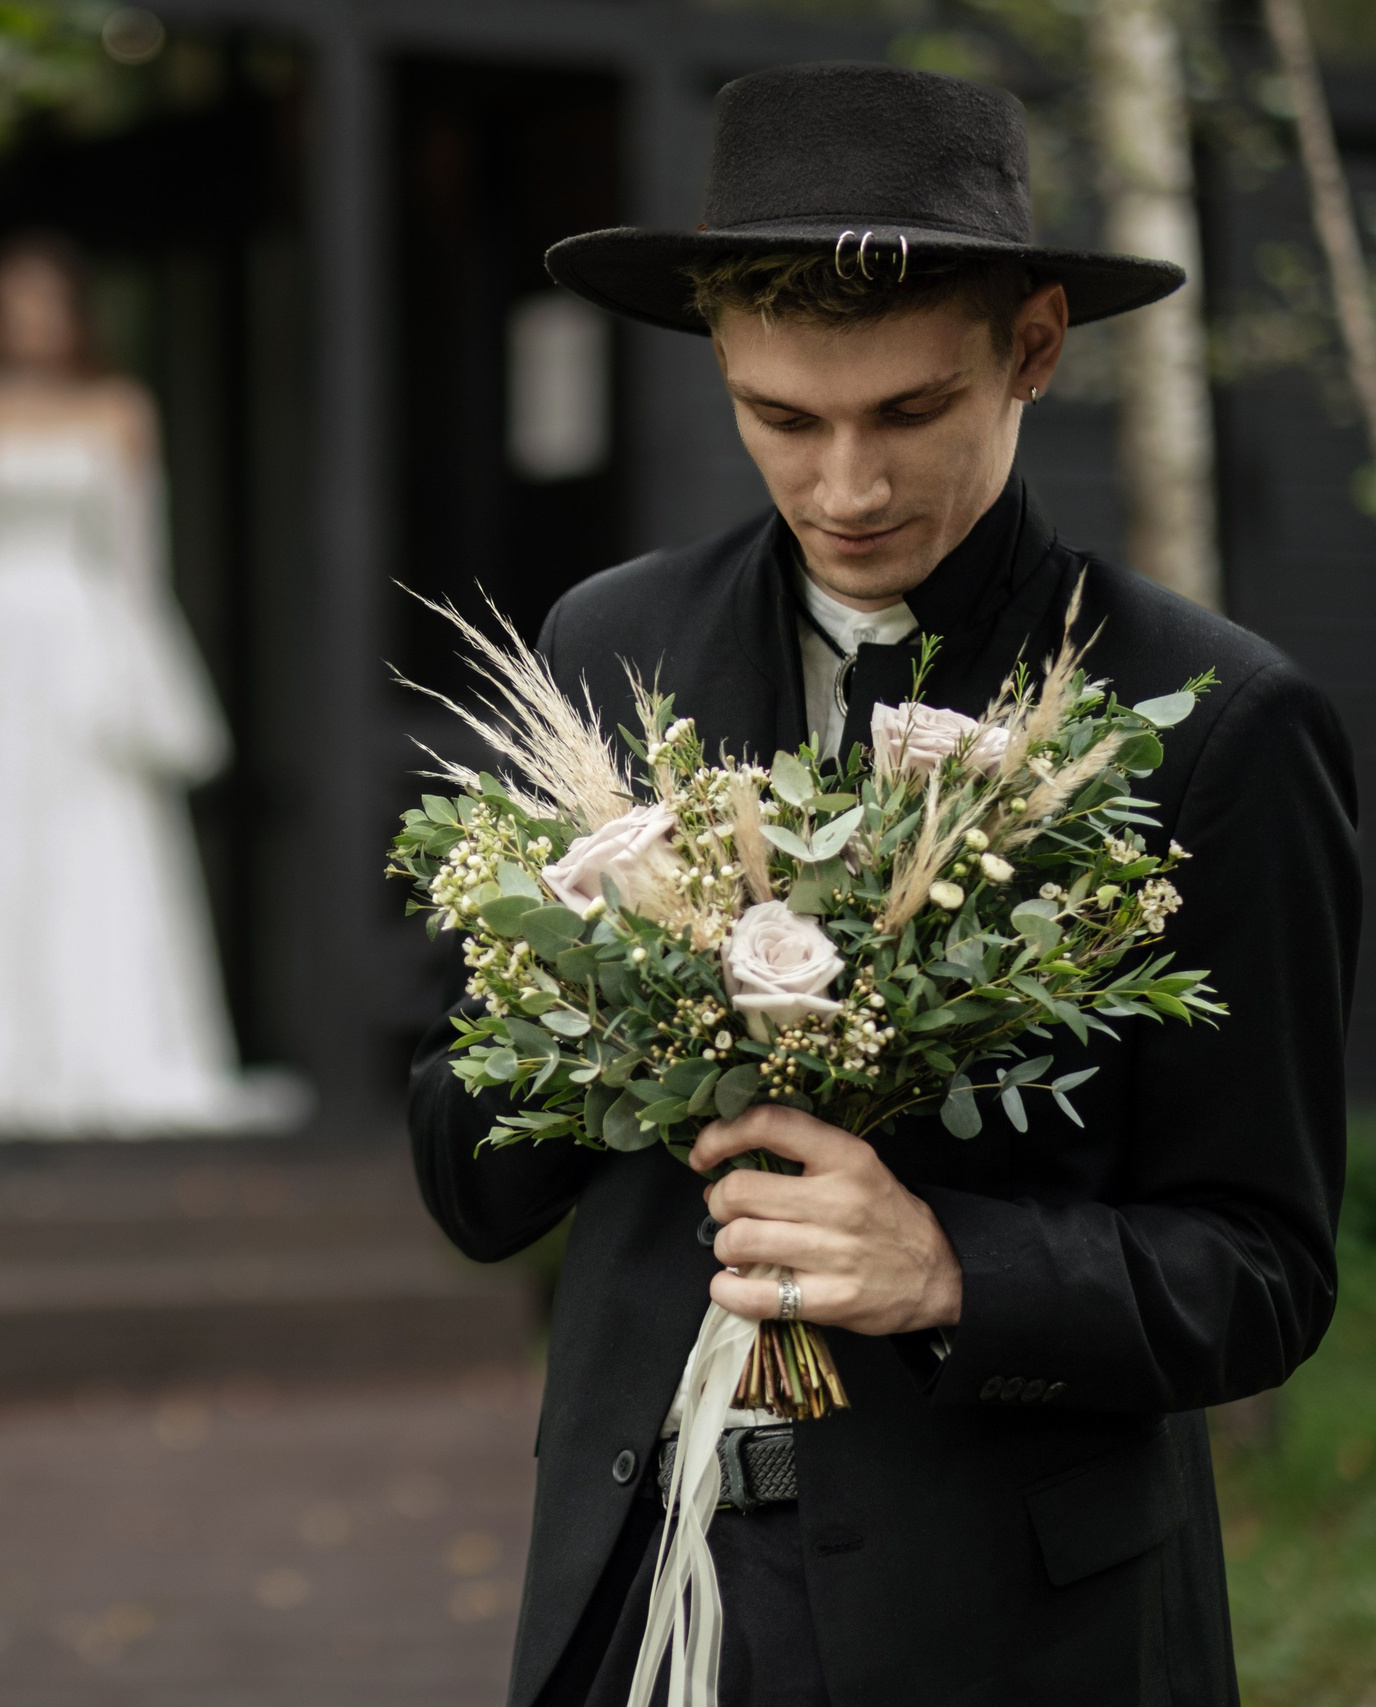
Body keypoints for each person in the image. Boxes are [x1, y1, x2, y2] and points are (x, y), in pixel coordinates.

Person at [409, 63, 1358, 1706]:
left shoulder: (1216, 720)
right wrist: (594, 994)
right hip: (640, 1598)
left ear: (1035, 348)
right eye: (785, 418)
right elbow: (469, 1185)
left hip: (1013, 1637)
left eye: (908, 412)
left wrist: (952, 1263)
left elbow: (1264, 1270)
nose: (845, 488)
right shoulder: (601, 649)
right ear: (720, 362)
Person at [0, 234, 301, 1137]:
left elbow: (135, 561)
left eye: (46, 301)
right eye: (13, 302)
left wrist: (139, 679)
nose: (30, 322)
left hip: (83, 650)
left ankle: (106, 1044)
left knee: (95, 840)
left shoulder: (119, 411)